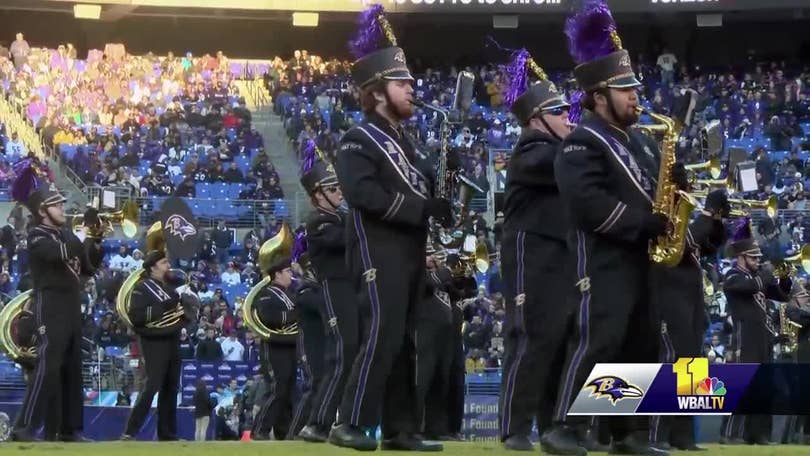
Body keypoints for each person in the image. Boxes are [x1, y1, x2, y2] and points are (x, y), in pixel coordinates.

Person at [541, 2, 670, 454]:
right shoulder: (581, 141)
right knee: (600, 340)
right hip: (604, 257)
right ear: (598, 96)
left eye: (635, 87)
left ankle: (627, 433)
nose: (636, 96)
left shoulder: (640, 143)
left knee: (638, 343)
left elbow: (658, 198)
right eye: (625, 88)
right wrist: (643, 222)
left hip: (640, 260)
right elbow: (587, 202)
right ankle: (565, 427)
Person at [328, 4, 450, 452]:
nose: (412, 90)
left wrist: (443, 190)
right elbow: (365, 196)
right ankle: (350, 422)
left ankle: (401, 430)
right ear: (377, 91)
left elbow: (424, 196)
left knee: (404, 343)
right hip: (377, 251)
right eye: (403, 84)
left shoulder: (408, 143)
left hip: (409, 253)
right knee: (381, 335)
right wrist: (423, 209)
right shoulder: (358, 138)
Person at [497, 50, 574, 451]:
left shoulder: (560, 151)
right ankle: (514, 427)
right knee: (531, 337)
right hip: (531, 252)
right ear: (536, 119)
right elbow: (560, 162)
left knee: (560, 339)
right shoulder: (530, 152)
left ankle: (551, 427)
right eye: (559, 111)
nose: (567, 118)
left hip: (559, 254)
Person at [12, 182, 102, 442]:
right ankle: (24, 427)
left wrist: (95, 241)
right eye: (57, 204)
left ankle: (68, 429)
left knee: (72, 368)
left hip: (72, 302)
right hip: (50, 302)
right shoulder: (36, 235)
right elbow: (59, 255)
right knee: (48, 365)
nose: (63, 208)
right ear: (43, 211)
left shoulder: (65, 235)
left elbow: (86, 269)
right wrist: (82, 234)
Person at [649, 189, 729, 452]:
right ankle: (657, 432)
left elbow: (709, 246)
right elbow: (681, 244)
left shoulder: (689, 227)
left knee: (691, 363)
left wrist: (718, 221)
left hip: (690, 298)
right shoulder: (661, 224)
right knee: (670, 361)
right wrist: (707, 214)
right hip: (668, 293)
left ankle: (682, 435)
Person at [297, 144, 360, 442]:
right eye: (333, 189)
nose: (340, 193)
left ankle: (336, 421)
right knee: (342, 354)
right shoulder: (319, 221)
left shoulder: (339, 218)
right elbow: (344, 239)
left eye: (339, 188)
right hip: (333, 289)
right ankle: (318, 423)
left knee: (352, 353)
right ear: (318, 195)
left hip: (349, 289)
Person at [723, 220, 789, 445]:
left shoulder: (758, 277)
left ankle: (758, 434)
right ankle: (732, 434)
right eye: (753, 258)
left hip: (763, 338)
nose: (757, 261)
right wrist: (764, 277)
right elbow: (746, 287)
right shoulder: (733, 274)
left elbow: (782, 295)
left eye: (759, 258)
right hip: (745, 336)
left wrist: (785, 278)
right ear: (741, 257)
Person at [121, 250, 190, 441]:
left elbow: (180, 315)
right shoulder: (141, 288)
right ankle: (130, 431)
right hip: (153, 342)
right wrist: (165, 306)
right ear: (153, 267)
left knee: (171, 388)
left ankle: (167, 433)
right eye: (164, 262)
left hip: (172, 340)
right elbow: (137, 317)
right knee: (151, 386)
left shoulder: (170, 289)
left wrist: (188, 308)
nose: (168, 266)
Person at [251, 245, 299, 441]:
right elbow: (269, 317)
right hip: (274, 347)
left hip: (289, 346)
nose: (291, 275)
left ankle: (283, 432)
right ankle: (259, 429)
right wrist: (296, 314)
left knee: (287, 392)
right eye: (288, 271)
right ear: (277, 274)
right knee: (277, 389)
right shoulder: (267, 294)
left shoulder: (288, 294)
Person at [415, 245, 456, 440]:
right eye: (429, 255)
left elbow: (460, 293)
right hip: (424, 328)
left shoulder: (441, 277)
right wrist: (444, 270)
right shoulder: (417, 271)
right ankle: (414, 427)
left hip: (444, 332)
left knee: (441, 380)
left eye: (434, 255)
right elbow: (429, 284)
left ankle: (436, 429)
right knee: (422, 378)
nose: (433, 258)